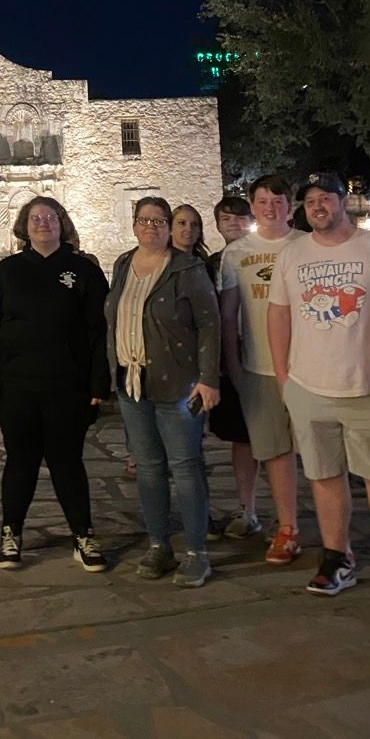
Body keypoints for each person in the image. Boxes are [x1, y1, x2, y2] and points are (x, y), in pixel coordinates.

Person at [268, 174, 370, 620]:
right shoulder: (293, 254)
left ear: (344, 202)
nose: (318, 206)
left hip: (369, 387)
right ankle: (337, 559)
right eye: (311, 200)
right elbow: (278, 315)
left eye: (326, 198)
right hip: (309, 387)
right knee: (324, 476)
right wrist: (285, 378)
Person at [0, 196, 109, 573]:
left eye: (50, 216)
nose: (42, 223)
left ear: (62, 223)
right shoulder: (7, 272)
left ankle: (82, 535)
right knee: (20, 462)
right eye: (35, 218)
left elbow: (99, 331)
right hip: (18, 385)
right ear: (24, 225)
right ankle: (11, 532)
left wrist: (99, 380)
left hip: (69, 385)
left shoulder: (83, 271)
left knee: (68, 462)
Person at [105, 196, 221, 588]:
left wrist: (209, 378)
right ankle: (159, 545)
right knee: (150, 469)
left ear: (169, 227)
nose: (150, 227)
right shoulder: (123, 264)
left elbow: (209, 324)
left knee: (186, 469)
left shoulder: (187, 268)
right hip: (132, 383)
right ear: (134, 225)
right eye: (144, 220)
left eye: (158, 220)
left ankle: (196, 552)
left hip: (178, 384)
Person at [219, 175, 303, 563]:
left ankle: (331, 537)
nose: (271, 207)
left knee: (319, 453)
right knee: (275, 453)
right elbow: (228, 313)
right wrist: (234, 365)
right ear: (252, 206)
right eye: (263, 200)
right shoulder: (237, 253)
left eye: (279, 199)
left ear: (290, 204)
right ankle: (287, 528)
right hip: (259, 367)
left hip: (308, 367)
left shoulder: (305, 245)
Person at [205, 196, 259, 537]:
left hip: (267, 358)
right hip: (231, 360)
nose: (234, 225)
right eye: (227, 219)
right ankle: (247, 510)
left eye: (240, 219)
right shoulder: (211, 264)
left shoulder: (267, 255)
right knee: (241, 439)